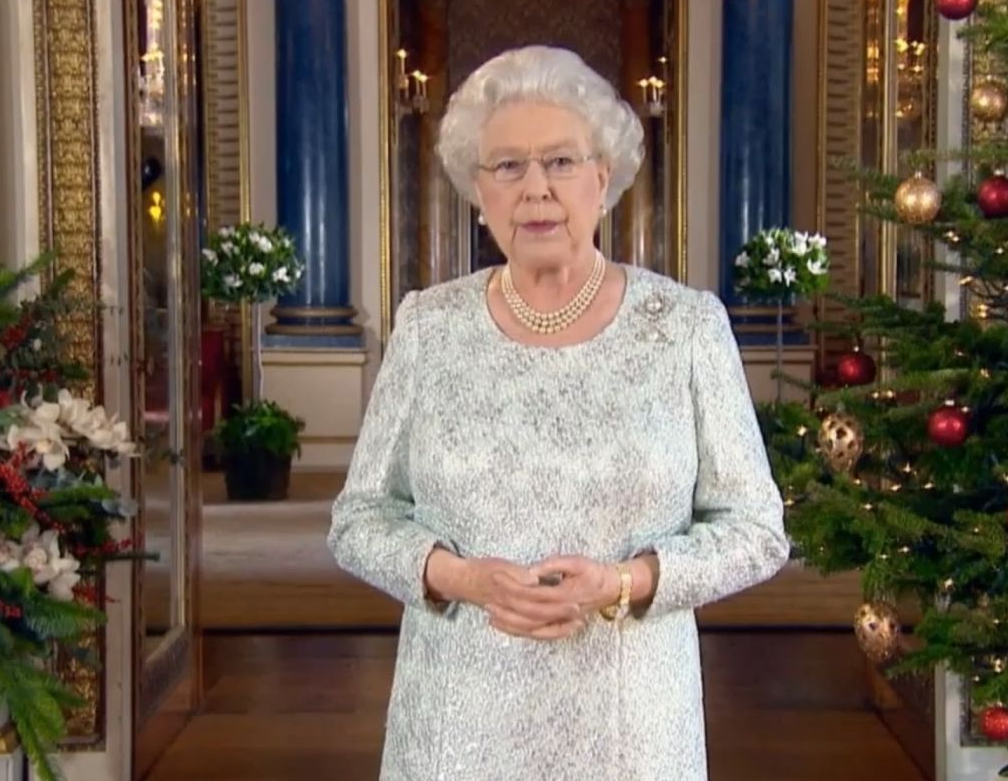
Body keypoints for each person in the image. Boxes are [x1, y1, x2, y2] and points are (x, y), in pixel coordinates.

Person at [328, 45, 788, 781]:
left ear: (603, 180)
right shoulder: (429, 327)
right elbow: (357, 522)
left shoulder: (687, 327)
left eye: (561, 163)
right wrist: (463, 576)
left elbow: (758, 532)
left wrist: (625, 582)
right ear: (477, 191)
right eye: (507, 166)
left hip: (630, 726)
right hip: (460, 721)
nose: (535, 188)